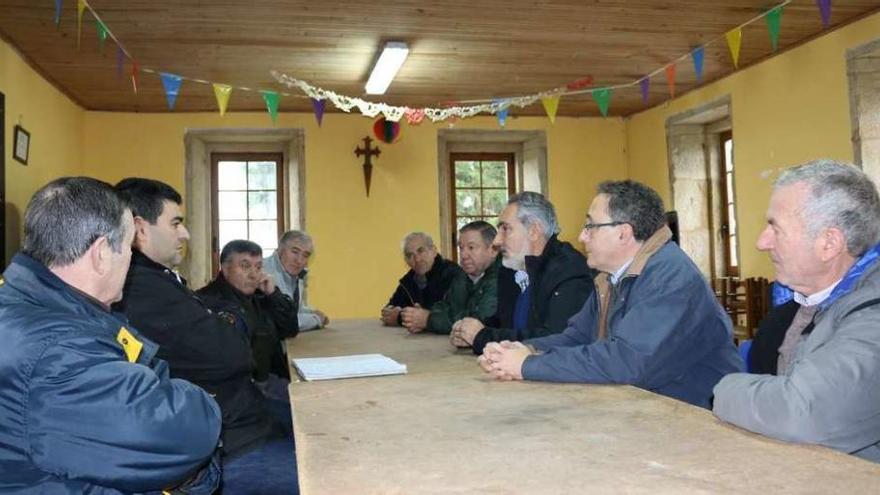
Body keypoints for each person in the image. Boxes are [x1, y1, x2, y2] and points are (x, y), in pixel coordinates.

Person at [0, 177, 220, 493]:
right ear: (101, 253)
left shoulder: (48, 308)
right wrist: (203, 402)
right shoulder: (58, 351)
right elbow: (180, 434)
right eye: (130, 247)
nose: (131, 262)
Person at [480, 181, 742, 408]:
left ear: (623, 233)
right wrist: (528, 349)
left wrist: (527, 366)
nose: (582, 236)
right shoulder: (610, 277)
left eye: (590, 226)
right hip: (645, 406)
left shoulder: (670, 277)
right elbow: (577, 336)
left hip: (696, 417)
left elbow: (626, 362)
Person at [113, 178, 297, 493]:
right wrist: (231, 319)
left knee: (319, 425)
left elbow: (282, 328)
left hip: (241, 416)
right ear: (140, 228)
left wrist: (264, 299)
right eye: (175, 223)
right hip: (226, 442)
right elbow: (236, 355)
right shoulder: (140, 287)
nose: (184, 233)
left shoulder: (163, 279)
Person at [713, 160, 880, 462]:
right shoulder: (792, 307)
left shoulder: (873, 315)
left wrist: (722, 388)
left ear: (829, 244)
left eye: (775, 227)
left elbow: (799, 412)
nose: (761, 242)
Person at [452, 191, 594, 354]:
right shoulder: (511, 268)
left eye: (506, 229)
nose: (497, 241)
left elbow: (556, 338)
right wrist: (470, 330)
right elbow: (503, 323)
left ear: (534, 231)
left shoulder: (569, 270)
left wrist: (483, 336)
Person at [198, 239, 299, 388]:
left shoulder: (260, 296)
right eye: (245, 266)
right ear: (225, 268)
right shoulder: (206, 303)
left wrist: (274, 295)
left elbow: (290, 329)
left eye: (258, 267)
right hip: (244, 390)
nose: (253, 274)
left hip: (274, 378)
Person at [400, 221, 502, 334]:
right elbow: (446, 305)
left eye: (471, 247)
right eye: (461, 248)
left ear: (493, 250)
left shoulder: (503, 277)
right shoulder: (464, 275)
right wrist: (421, 317)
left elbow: (480, 320)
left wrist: (428, 320)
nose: (463, 255)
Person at [381, 231, 463, 326]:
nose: (417, 259)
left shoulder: (453, 274)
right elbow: (391, 309)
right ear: (406, 261)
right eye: (409, 255)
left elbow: (450, 315)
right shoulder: (408, 281)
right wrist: (389, 313)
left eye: (420, 251)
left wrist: (400, 317)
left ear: (434, 250)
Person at [263, 230, 330, 331]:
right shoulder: (267, 274)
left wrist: (312, 312)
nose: (299, 260)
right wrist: (316, 319)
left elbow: (292, 309)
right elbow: (282, 322)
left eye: (305, 255)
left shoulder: (295, 274)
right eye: (295, 252)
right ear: (280, 249)